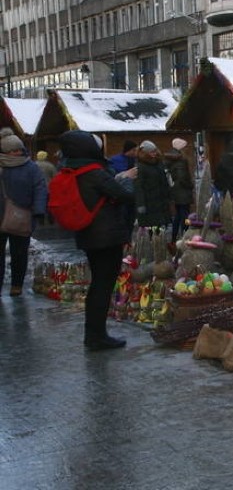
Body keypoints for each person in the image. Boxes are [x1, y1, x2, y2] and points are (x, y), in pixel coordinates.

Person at [57, 130, 135, 350]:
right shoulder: (93, 171)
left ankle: (94, 333)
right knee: (103, 284)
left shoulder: (73, 168)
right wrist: (126, 179)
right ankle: (96, 336)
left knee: (98, 283)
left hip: (89, 234)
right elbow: (124, 195)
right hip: (105, 236)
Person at [0, 129, 48, 296]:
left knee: (19, 253)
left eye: (19, 149)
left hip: (22, 216)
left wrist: (39, 210)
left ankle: (17, 285)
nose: (17, 152)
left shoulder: (31, 167)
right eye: (12, 150)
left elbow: (40, 188)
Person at [134, 140, 172, 228]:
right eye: (151, 152)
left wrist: (168, 194)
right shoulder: (141, 167)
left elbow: (164, 181)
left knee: (161, 227)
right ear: (145, 153)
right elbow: (138, 187)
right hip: (149, 202)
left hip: (161, 201)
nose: (154, 153)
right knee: (152, 227)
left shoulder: (158, 163)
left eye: (155, 151)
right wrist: (141, 204)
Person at [164, 138, 194, 242]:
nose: (186, 149)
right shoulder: (181, 160)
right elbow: (182, 177)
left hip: (176, 192)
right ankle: (186, 233)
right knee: (185, 216)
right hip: (183, 192)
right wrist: (190, 185)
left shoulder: (171, 160)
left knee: (178, 215)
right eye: (185, 147)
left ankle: (174, 236)